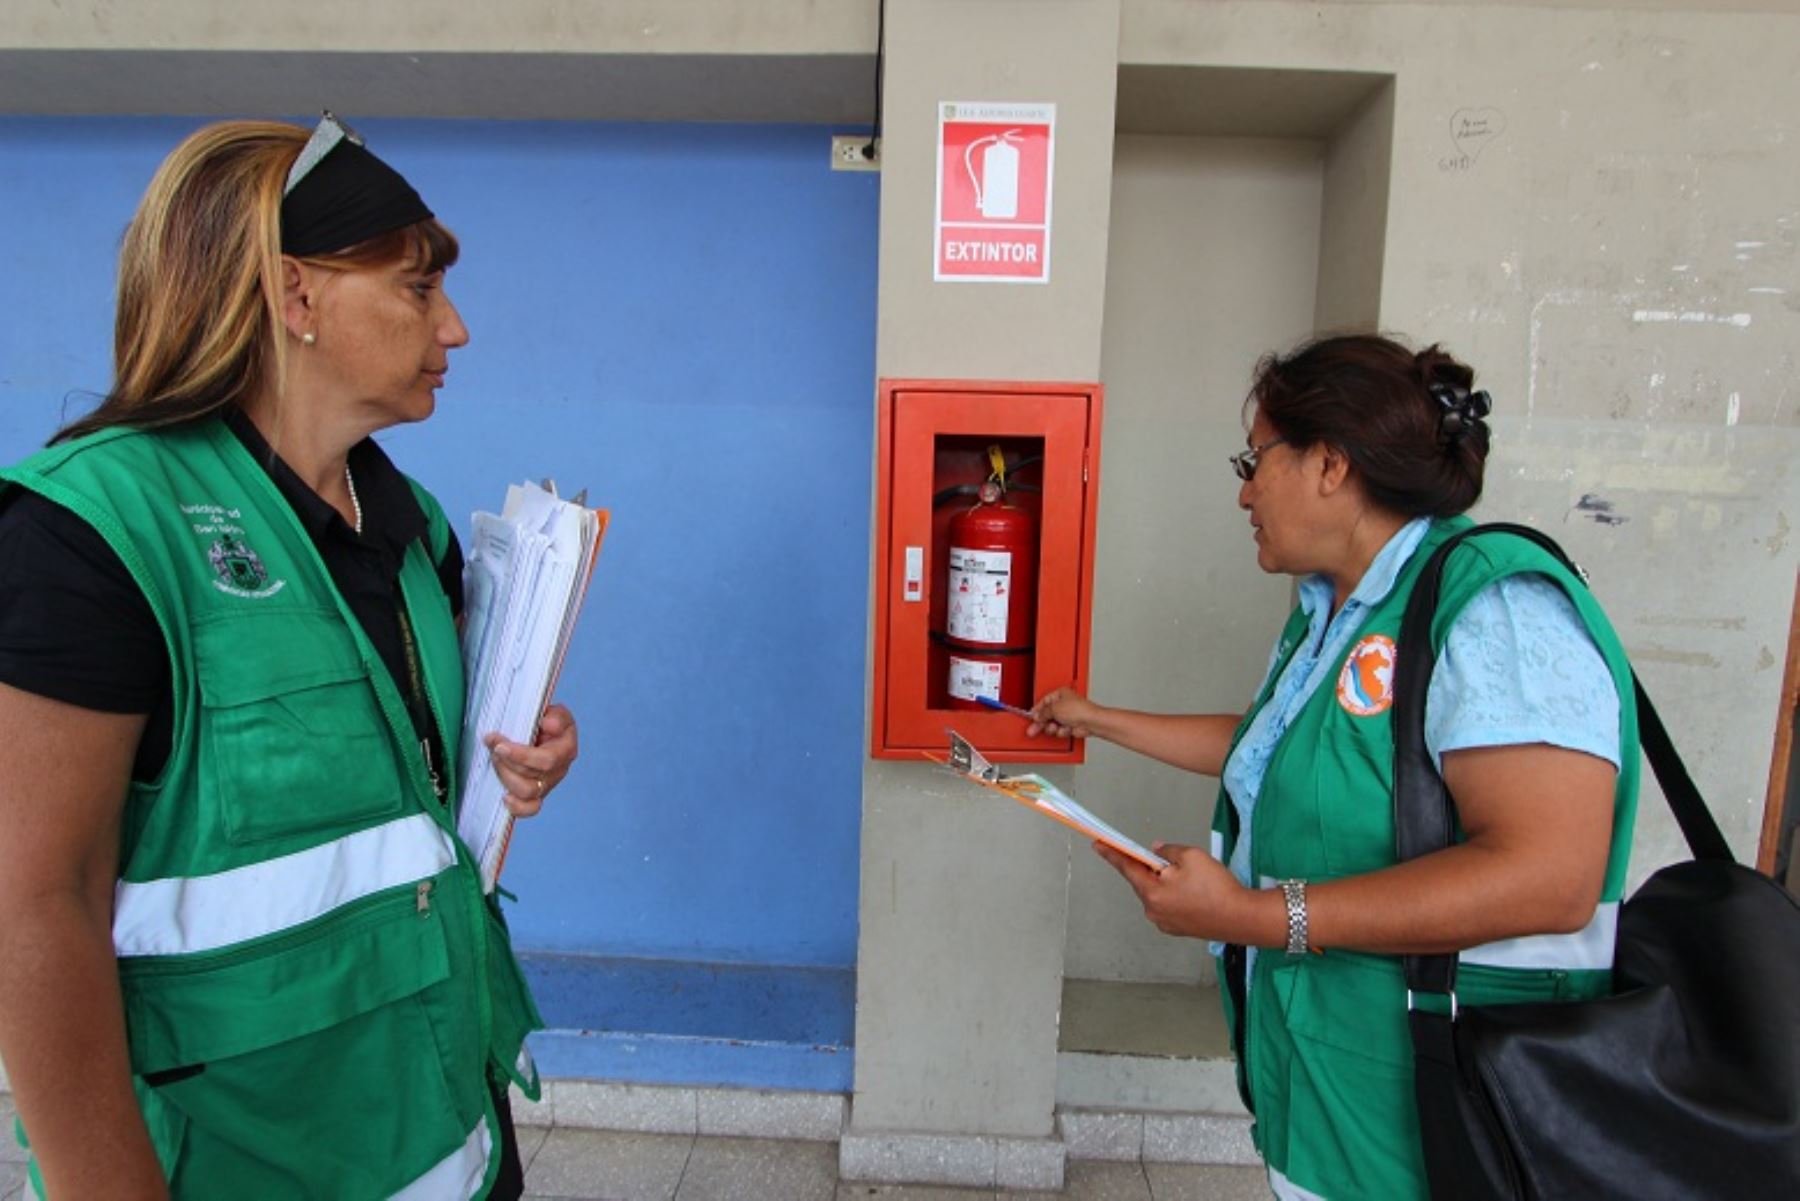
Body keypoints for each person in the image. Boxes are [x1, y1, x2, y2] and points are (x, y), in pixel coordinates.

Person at [0, 115, 578, 1200]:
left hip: (445, 1133)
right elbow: (32, 901)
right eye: (417, 287)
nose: (454, 327)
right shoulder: (91, 534)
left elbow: (400, 791)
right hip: (232, 1154)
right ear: (295, 295)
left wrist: (517, 758)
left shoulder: (412, 531)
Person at [1029, 334, 1638, 1201]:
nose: (1243, 490)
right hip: (1333, 1076)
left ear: (1329, 463)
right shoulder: (1344, 608)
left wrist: (1251, 914)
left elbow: (1548, 876)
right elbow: (1282, 748)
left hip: (1456, 1100)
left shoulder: (1494, 609)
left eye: (1256, 458)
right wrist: (1098, 719)